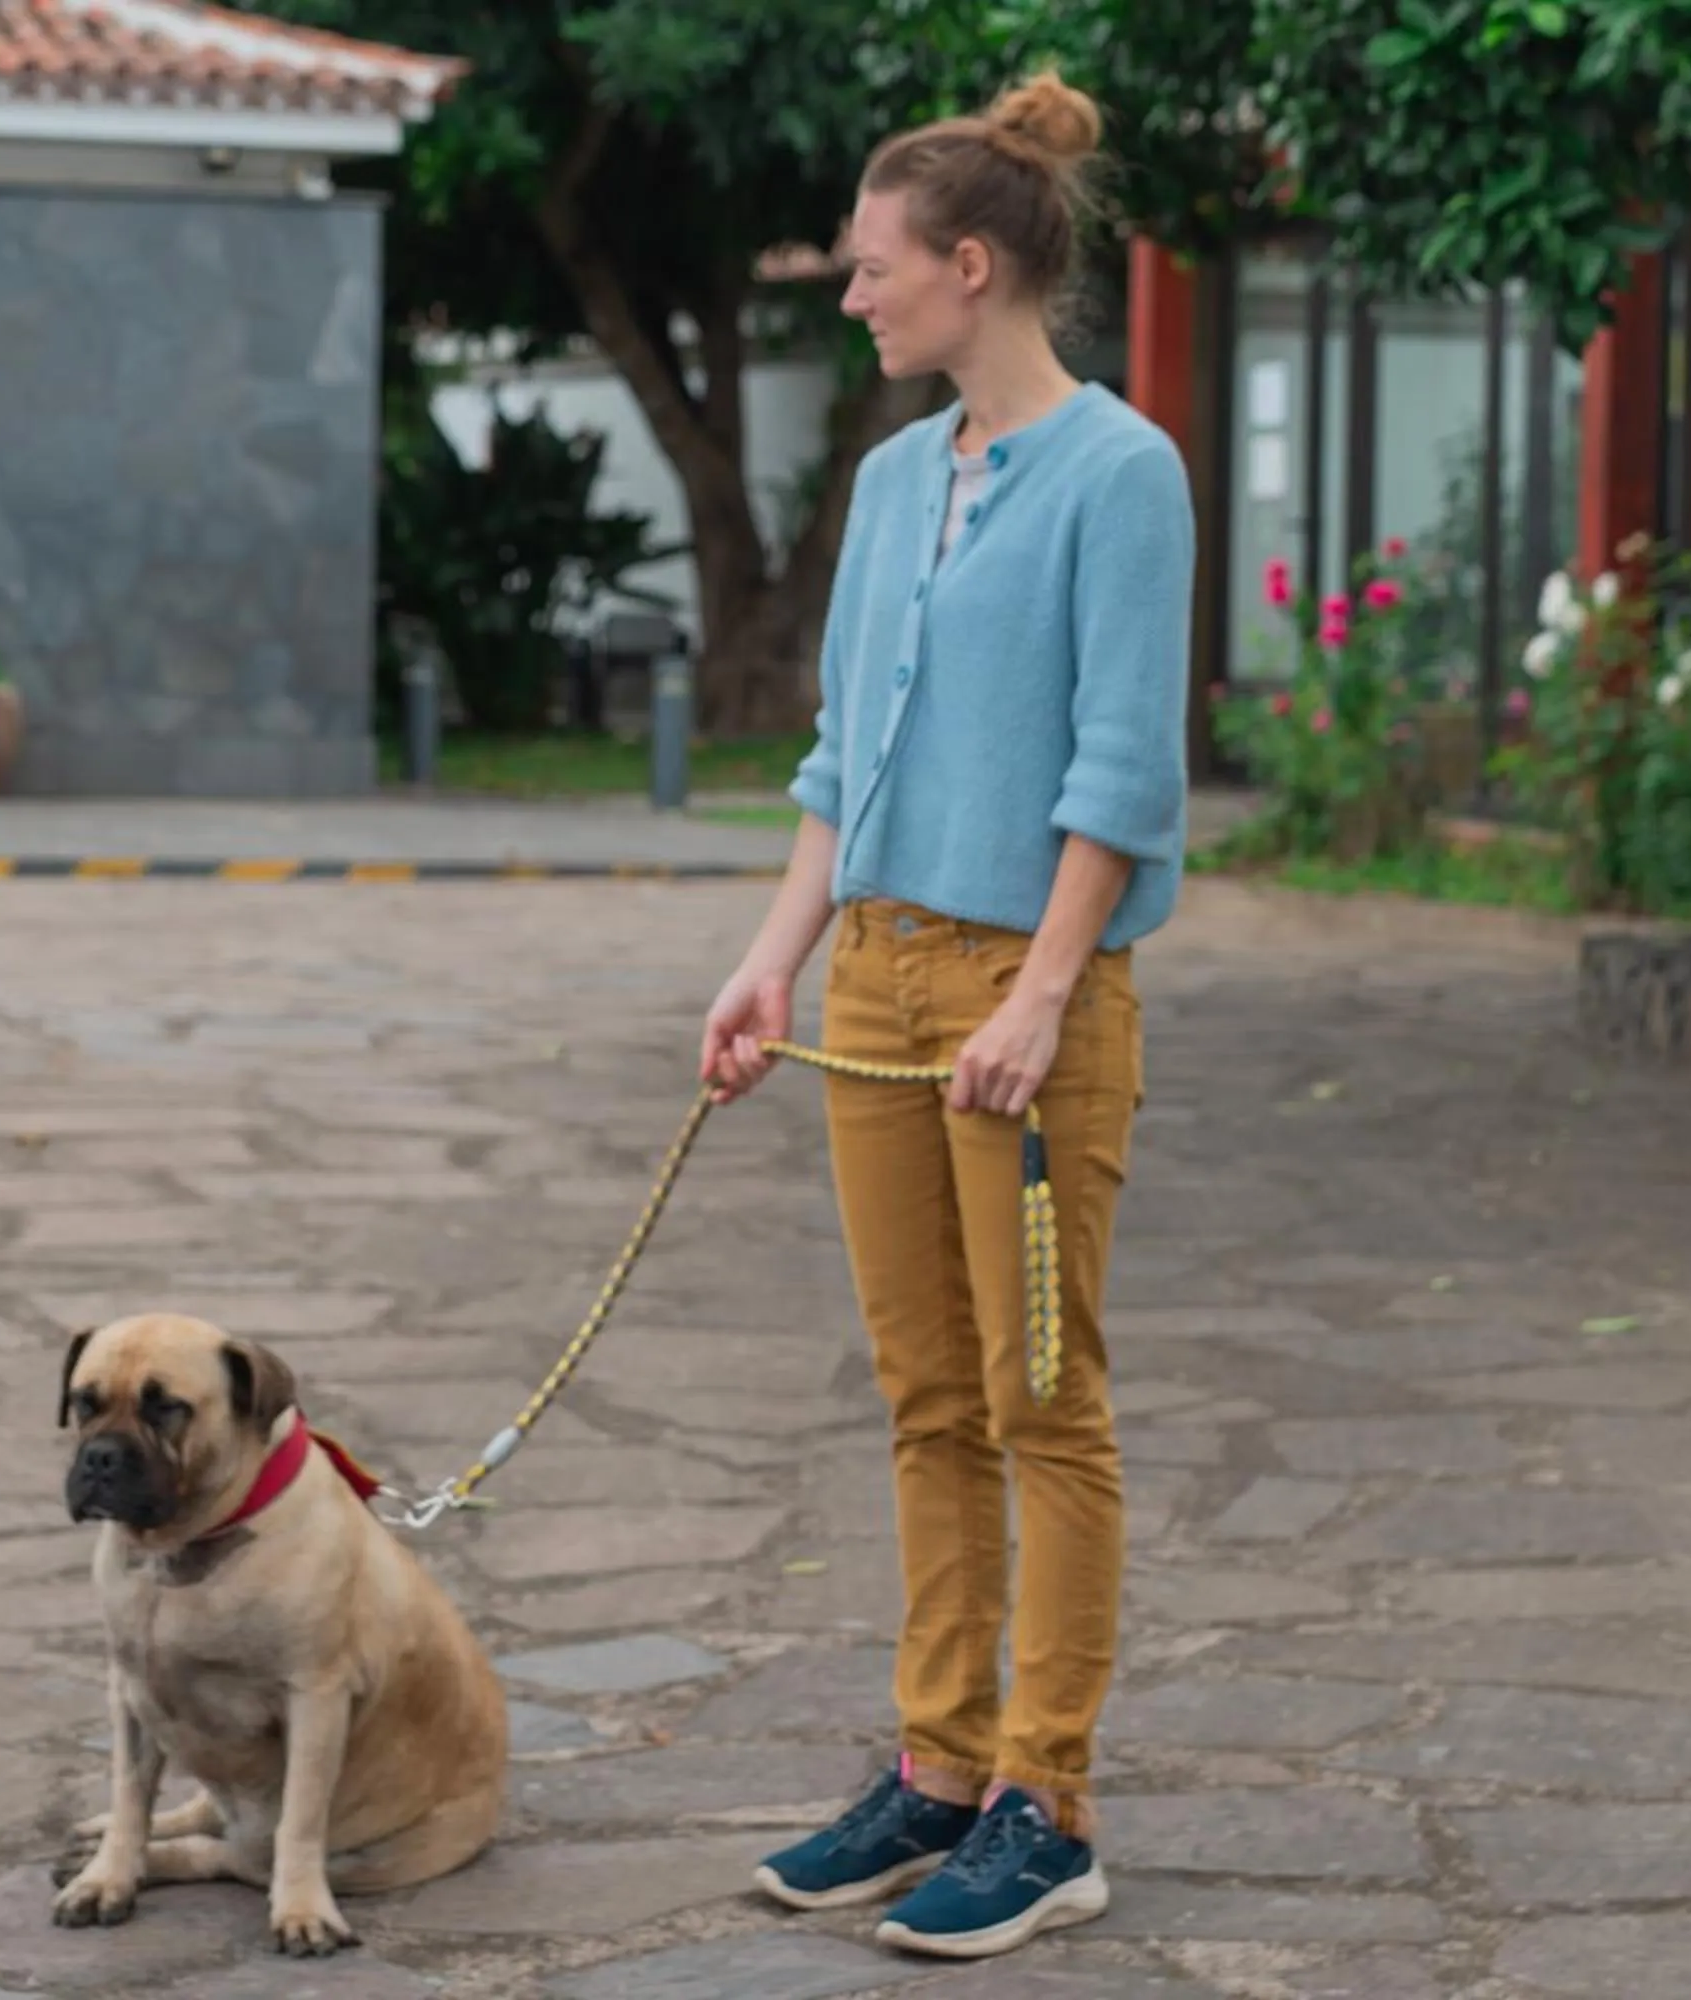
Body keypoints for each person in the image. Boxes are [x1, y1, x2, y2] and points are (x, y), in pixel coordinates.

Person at [696, 68, 1191, 1963]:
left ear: (970, 267)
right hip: (884, 978)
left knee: (1040, 1400)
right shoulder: (896, 481)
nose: (852, 295)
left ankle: (1045, 1806)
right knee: (923, 1399)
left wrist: (1047, 997)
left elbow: (1121, 772)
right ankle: (937, 1768)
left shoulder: (1123, 476)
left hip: (1023, 994)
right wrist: (774, 958)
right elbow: (846, 757)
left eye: (871, 266)